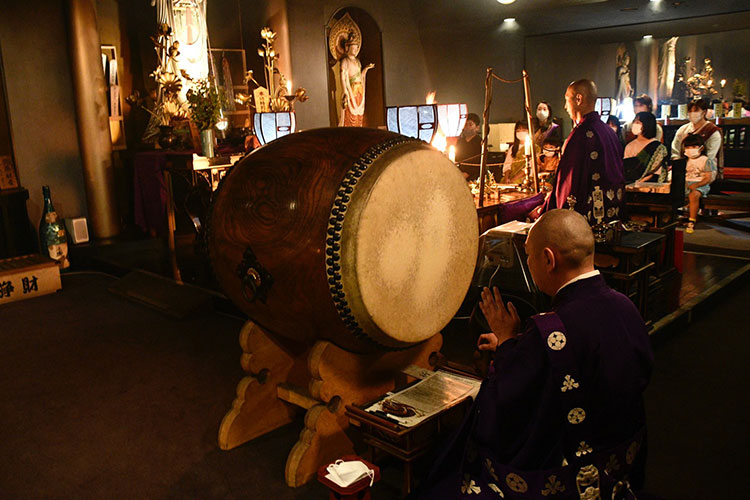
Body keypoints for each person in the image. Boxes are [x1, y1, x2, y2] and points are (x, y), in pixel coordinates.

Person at [418, 209, 653, 499]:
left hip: (570, 473)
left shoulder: (551, 331)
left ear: (548, 259)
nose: (528, 263)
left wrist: (506, 342)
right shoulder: (625, 307)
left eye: (528, 256)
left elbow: (513, 401)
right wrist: (520, 343)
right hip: (622, 458)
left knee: (443, 475)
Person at [540, 79, 626, 225]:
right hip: (612, 213)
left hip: (588, 218)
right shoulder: (608, 132)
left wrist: (555, 210)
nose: (565, 106)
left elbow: (569, 181)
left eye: (567, 100)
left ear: (578, 99)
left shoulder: (580, 135)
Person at [671, 99, 723, 174]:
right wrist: (679, 164)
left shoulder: (712, 131)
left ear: (704, 112)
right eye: (690, 111)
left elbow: (710, 156)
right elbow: (675, 150)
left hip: (705, 169)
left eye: (696, 111)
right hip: (683, 167)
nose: (692, 113)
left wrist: (696, 165)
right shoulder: (683, 130)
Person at [682, 134, 717, 234]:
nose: (690, 149)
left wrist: (697, 185)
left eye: (693, 147)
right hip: (685, 183)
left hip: (700, 184)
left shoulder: (706, 160)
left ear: (701, 148)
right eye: (687, 147)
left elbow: (708, 178)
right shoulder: (684, 160)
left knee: (694, 195)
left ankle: (691, 220)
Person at [339, 31, 374, 127]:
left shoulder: (358, 61)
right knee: (350, 113)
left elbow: (360, 76)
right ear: (347, 48)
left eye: (356, 48)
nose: (355, 50)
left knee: (359, 114)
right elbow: (343, 77)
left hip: (359, 90)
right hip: (351, 90)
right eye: (353, 48)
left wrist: (366, 69)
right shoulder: (345, 61)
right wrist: (345, 91)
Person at [623, 111, 669, 183]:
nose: (634, 125)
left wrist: (641, 181)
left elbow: (656, 173)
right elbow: (627, 169)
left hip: (651, 185)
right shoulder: (629, 146)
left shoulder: (657, 147)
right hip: (631, 185)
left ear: (647, 125)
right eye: (634, 122)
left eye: (638, 122)